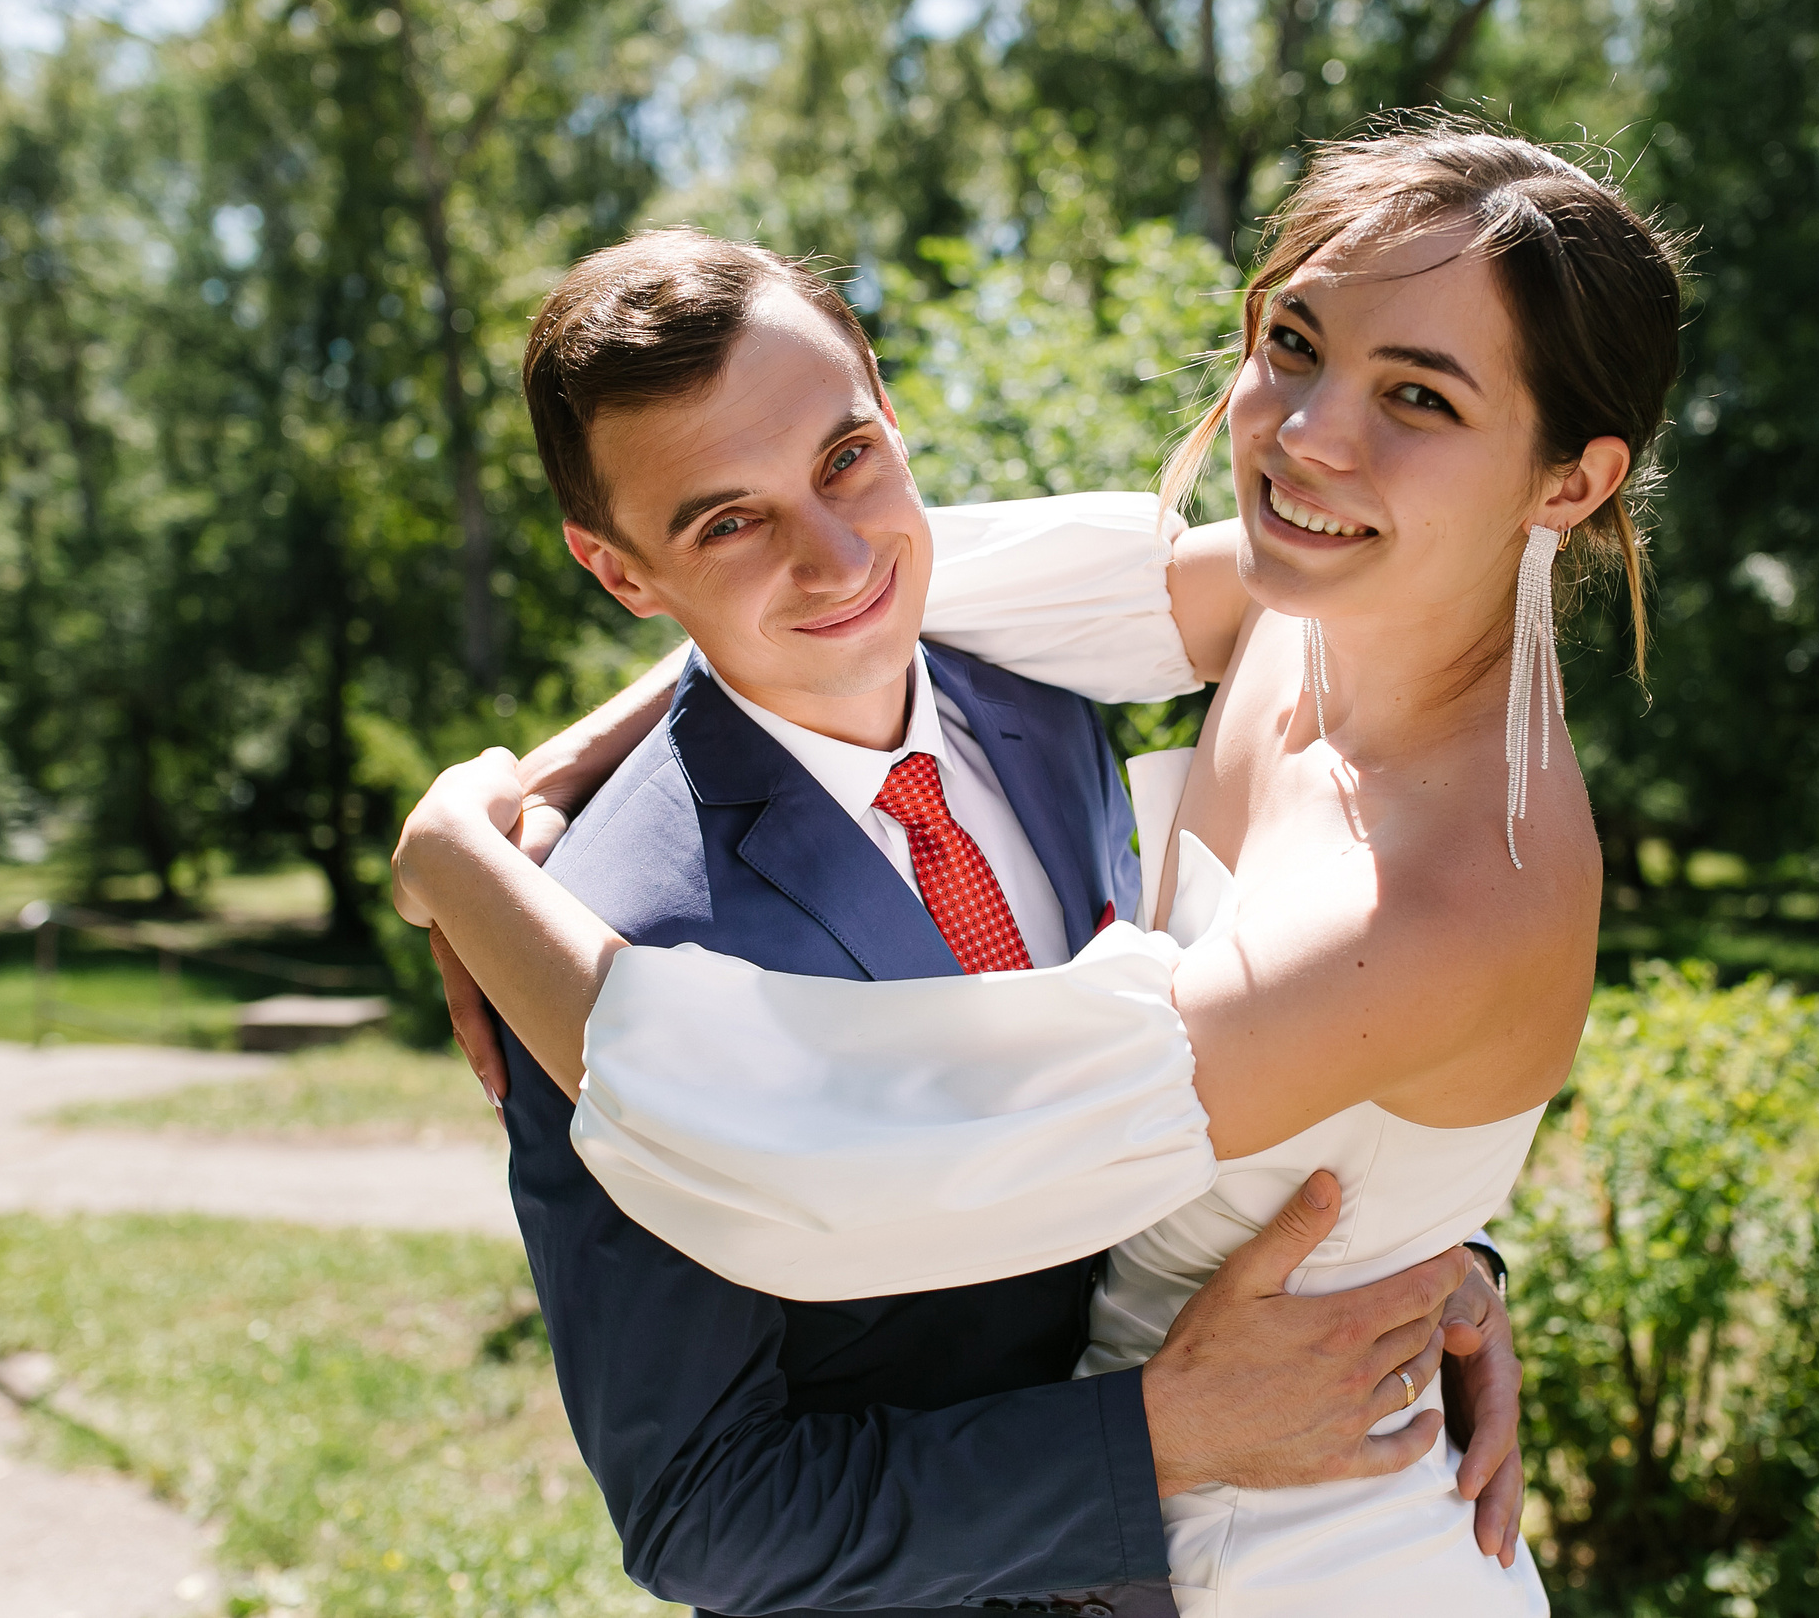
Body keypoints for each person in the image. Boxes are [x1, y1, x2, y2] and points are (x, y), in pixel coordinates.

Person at [400, 116, 1684, 1613]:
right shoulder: (1279, 612)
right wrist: (572, 758)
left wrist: (450, 859)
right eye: (1294, 341)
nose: (1306, 433)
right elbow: (874, 575)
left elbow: (789, 1141)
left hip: (1326, 1551)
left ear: (1571, 482)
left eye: (1420, 395)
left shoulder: (1441, 904)